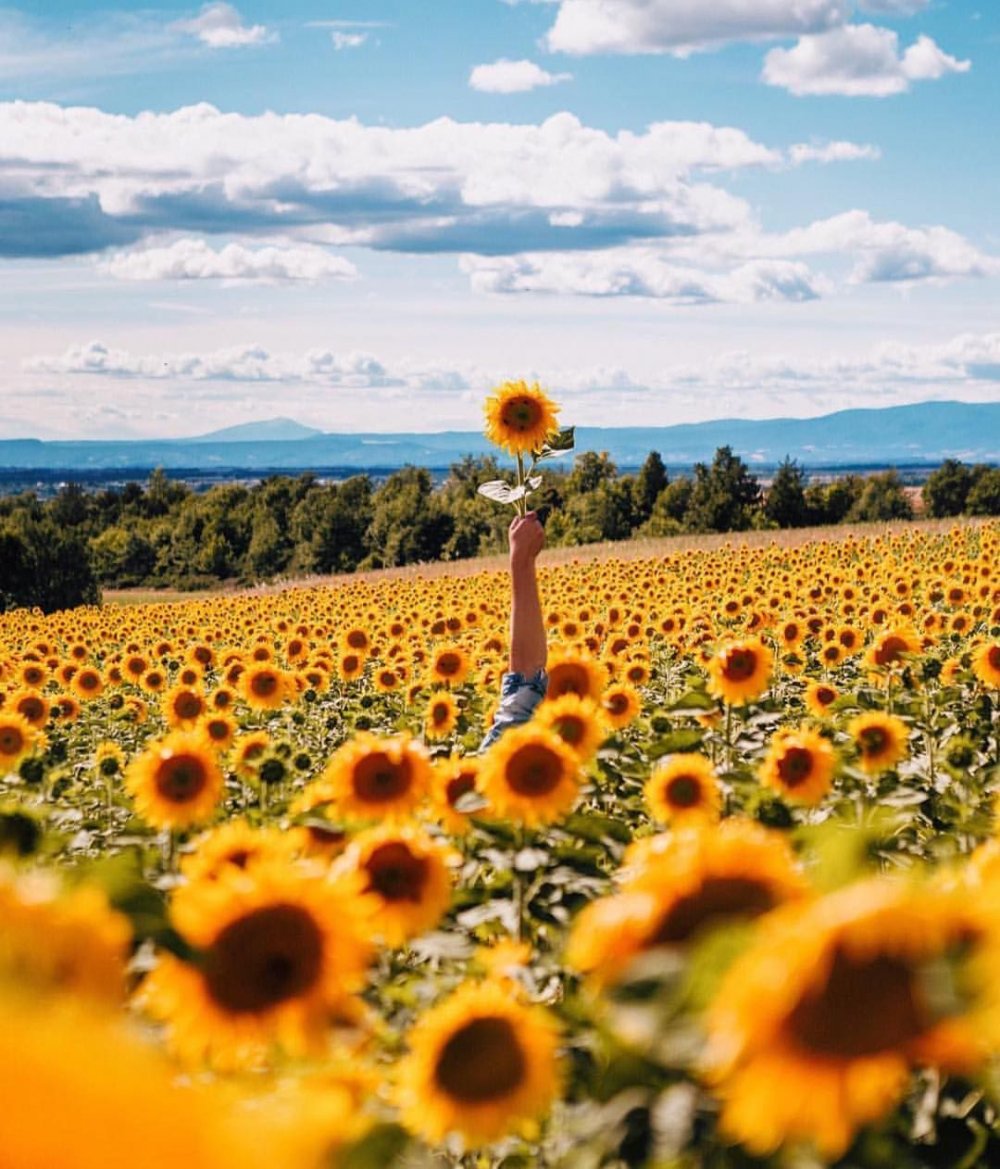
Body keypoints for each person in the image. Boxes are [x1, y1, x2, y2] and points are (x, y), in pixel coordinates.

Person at [480, 510, 548, 751]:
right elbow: (523, 691)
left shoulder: (482, 779)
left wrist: (522, 560)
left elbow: (523, 691)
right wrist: (522, 561)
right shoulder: (490, 773)